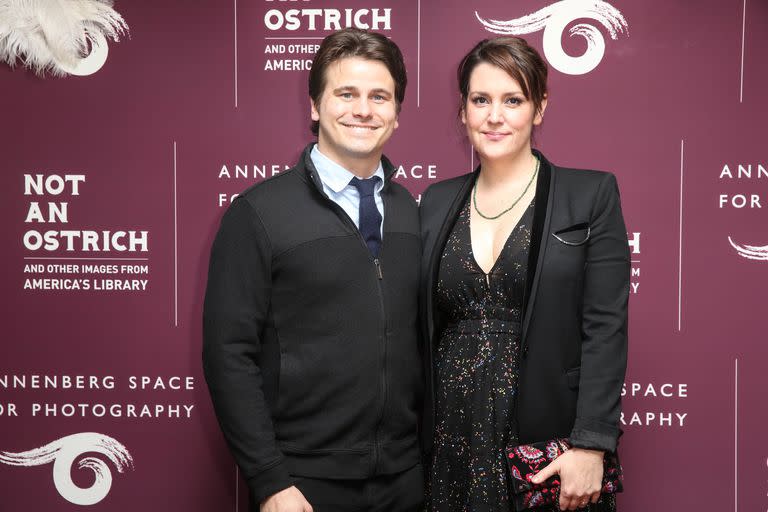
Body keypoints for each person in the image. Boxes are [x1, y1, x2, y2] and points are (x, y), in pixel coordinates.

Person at [203, 28, 423, 512]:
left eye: (379, 96)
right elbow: (228, 354)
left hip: (405, 480)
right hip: (302, 484)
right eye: (346, 93)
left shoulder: (412, 212)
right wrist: (270, 480)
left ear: (396, 113)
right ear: (315, 106)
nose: (363, 109)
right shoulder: (258, 214)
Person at [419, 37, 629, 511]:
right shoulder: (435, 201)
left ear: (539, 108)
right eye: (481, 100)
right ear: (463, 110)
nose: (495, 116)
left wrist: (591, 443)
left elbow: (605, 327)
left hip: (547, 438)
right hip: (451, 437)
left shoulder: (590, 195)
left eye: (513, 100)